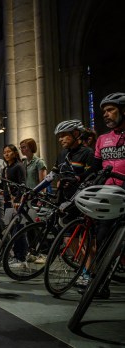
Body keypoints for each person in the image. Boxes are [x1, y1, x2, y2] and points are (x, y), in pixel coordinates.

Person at [80, 92, 125, 298]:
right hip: (109, 196)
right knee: (102, 240)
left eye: (110, 110)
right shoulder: (103, 140)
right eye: (104, 111)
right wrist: (83, 181)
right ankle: (102, 283)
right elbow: (95, 167)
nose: (106, 114)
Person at [0, 145, 26, 265]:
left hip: (17, 203)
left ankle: (21, 258)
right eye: (4, 152)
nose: (6, 154)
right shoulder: (5, 169)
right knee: (10, 229)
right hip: (8, 203)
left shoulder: (19, 166)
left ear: (14, 153)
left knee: (19, 229)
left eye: (9, 152)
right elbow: (3, 187)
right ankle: (16, 255)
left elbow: (23, 184)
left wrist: (19, 200)